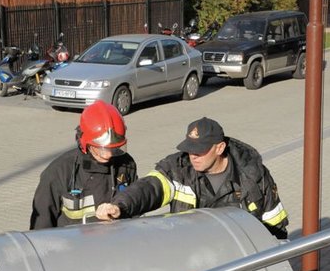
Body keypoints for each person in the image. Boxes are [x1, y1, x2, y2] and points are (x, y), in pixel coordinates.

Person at [96, 117, 289, 238]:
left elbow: (276, 228)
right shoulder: (179, 169)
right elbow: (150, 188)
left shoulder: (254, 177)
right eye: (190, 149)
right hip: (190, 255)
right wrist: (120, 205)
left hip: (236, 261)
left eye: (200, 150)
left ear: (220, 148)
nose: (193, 156)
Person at [29, 100, 138, 229]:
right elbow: (41, 226)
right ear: (84, 143)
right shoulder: (58, 172)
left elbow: (136, 208)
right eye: (101, 148)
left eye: (114, 148)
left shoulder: (126, 165)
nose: (108, 155)